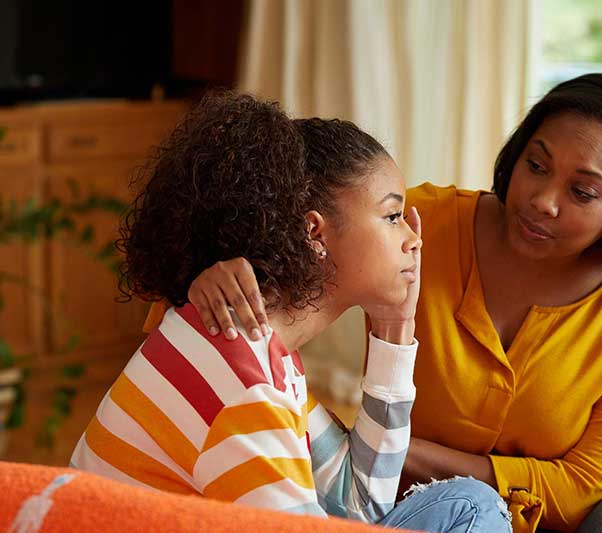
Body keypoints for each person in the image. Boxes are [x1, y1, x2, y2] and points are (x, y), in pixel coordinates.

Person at [147, 74, 602, 532]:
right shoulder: (419, 224)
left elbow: (583, 483)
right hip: (402, 476)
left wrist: (392, 451)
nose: (541, 200)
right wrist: (211, 279)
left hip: (584, 488)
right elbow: (295, 235)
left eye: (582, 192)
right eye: (536, 165)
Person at [70, 92, 511, 533]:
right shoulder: (248, 386)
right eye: (393, 215)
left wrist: (396, 328)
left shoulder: (259, 350)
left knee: (470, 503)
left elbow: (358, 503)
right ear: (313, 231)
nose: (414, 239)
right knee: (474, 512)